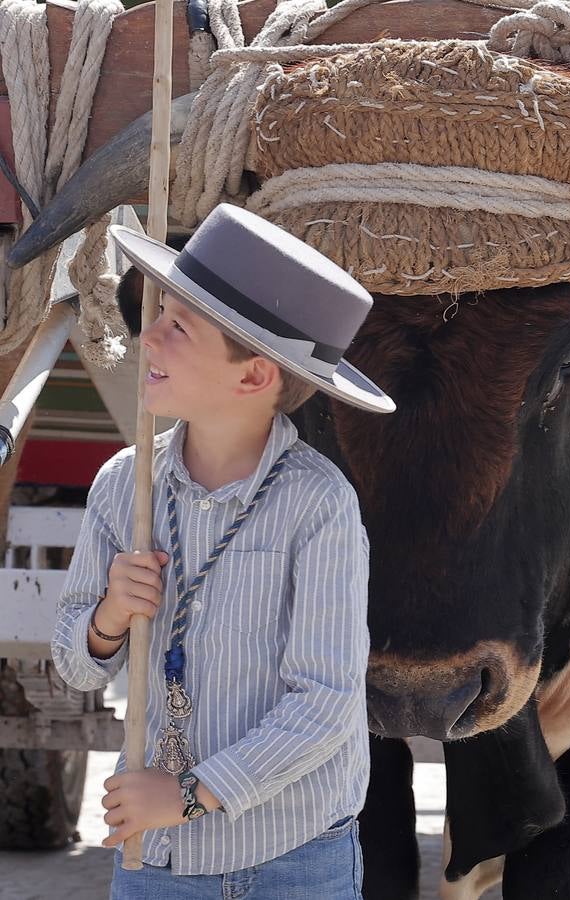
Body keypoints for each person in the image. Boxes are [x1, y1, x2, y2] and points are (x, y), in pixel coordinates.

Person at [51, 203, 395, 899]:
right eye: (159, 314)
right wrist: (108, 617)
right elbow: (74, 668)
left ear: (254, 377)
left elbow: (325, 703)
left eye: (178, 326)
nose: (149, 336)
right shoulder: (125, 486)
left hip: (293, 859)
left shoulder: (318, 505)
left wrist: (189, 794)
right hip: (157, 863)